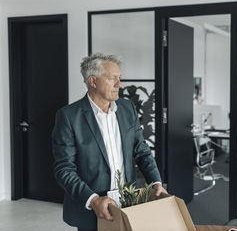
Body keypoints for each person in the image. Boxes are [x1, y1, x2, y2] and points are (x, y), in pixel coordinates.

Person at [52, 53, 167, 231]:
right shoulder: (69, 117)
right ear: (93, 81)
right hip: (92, 207)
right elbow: (64, 169)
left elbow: (141, 150)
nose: (119, 84)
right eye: (112, 78)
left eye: (119, 78)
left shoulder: (127, 109)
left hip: (129, 202)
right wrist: (94, 200)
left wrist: (156, 182)